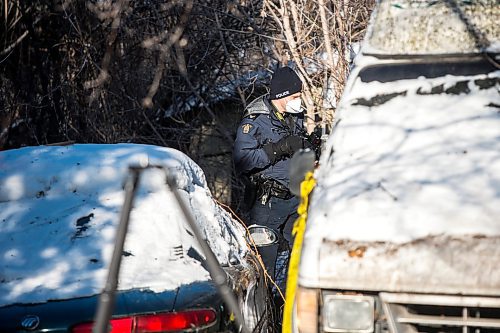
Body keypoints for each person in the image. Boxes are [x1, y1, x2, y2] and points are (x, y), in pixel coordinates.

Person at [233, 66, 312, 283]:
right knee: (264, 266)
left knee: (297, 261)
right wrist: (280, 148)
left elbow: (294, 154)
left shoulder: (295, 116)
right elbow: (243, 161)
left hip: (294, 198)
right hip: (268, 202)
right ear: (283, 95)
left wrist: (309, 148)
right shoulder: (255, 120)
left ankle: (287, 308)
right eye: (295, 96)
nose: (299, 100)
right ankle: (265, 312)